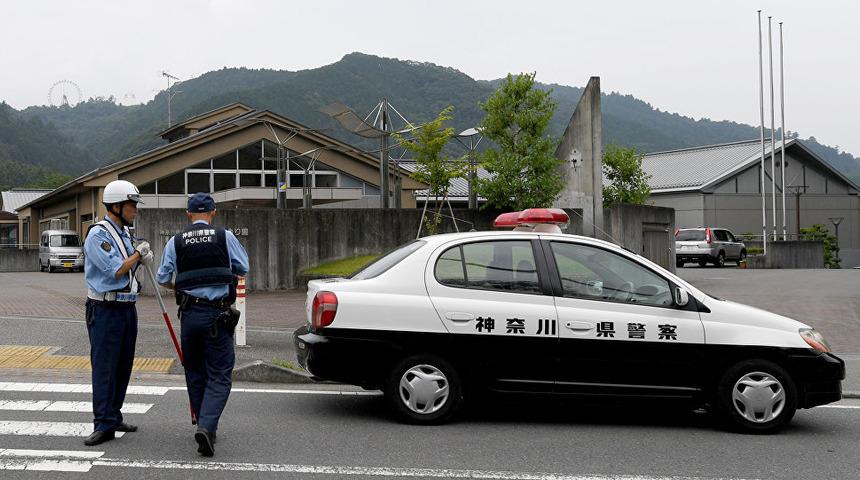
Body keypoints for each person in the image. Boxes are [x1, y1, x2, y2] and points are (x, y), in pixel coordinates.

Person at [156, 192, 249, 457]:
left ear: (188, 214)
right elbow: (243, 267)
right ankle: (207, 426)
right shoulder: (224, 237)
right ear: (213, 212)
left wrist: (184, 286)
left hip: (190, 316)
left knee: (195, 372)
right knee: (219, 374)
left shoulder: (175, 241)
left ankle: (203, 423)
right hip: (217, 316)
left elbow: (163, 277)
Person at [83, 180, 153, 446]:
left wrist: (139, 255)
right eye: (131, 204)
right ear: (116, 205)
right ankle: (103, 424)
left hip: (126, 306)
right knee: (105, 367)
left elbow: (130, 265)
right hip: (105, 308)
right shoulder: (98, 234)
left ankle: (114, 414)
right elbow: (116, 270)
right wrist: (138, 254)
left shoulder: (124, 232)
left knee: (123, 365)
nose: (135, 209)